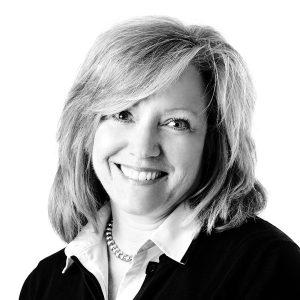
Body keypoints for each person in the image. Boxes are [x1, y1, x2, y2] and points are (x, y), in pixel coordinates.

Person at [19, 16, 300, 300]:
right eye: (122, 114)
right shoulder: (44, 283)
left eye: (176, 123)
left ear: (214, 143)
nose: (143, 148)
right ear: (85, 129)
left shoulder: (267, 267)